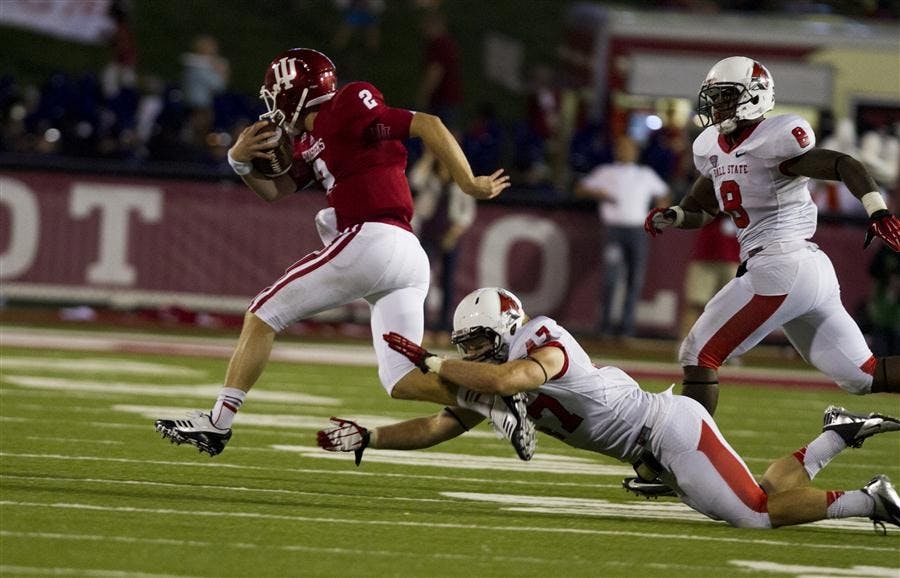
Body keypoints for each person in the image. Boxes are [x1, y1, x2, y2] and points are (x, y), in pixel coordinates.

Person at [154, 48, 535, 461]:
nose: (272, 102)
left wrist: (469, 182)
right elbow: (276, 190)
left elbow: (428, 123)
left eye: (276, 92)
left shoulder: (348, 104)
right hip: (404, 255)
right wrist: (239, 162)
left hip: (374, 238)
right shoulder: (312, 139)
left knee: (263, 313)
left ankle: (218, 422)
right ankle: (492, 398)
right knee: (401, 380)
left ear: (295, 92)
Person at [317, 286, 900, 531]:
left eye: (474, 341)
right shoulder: (495, 377)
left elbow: (508, 376)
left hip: (670, 431)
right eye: (462, 345)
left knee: (754, 515)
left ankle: (873, 500)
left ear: (507, 327)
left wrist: (436, 363)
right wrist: (371, 437)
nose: (467, 352)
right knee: (763, 496)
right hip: (657, 448)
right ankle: (837, 435)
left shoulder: (541, 342)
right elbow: (440, 425)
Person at [645, 56, 900, 419]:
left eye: (726, 97)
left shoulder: (776, 138)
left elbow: (845, 164)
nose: (717, 106)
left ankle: (676, 457)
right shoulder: (713, 148)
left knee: (698, 355)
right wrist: (675, 216)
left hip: (780, 264)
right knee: (862, 375)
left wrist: (878, 210)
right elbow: (702, 206)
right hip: (804, 270)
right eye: (714, 98)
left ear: (755, 95)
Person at [575, 136, 669, 338]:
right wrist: (599, 194)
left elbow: (663, 193)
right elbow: (581, 188)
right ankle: (605, 325)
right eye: (621, 147)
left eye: (629, 147)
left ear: (636, 151)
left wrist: (660, 210)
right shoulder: (606, 172)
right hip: (614, 232)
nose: (625, 151)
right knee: (611, 278)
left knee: (635, 279)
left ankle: (626, 326)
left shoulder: (644, 174)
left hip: (637, 230)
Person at [409, 148, 477, 332]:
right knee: (423, 280)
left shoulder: (460, 182)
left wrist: (453, 234)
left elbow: (467, 213)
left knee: (448, 282)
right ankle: (421, 325)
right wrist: (428, 157)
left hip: (450, 236)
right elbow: (414, 180)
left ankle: (444, 327)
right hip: (428, 234)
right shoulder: (430, 178)